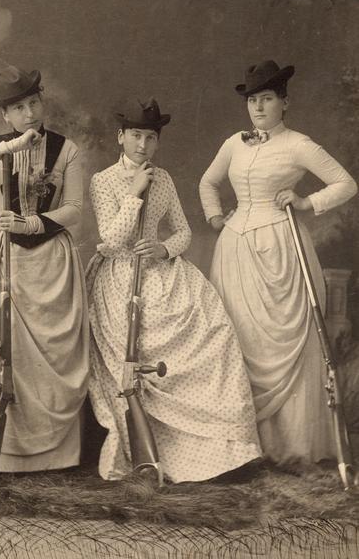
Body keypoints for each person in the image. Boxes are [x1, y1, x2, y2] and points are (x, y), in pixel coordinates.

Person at [86, 98, 261, 483]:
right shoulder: (103, 181)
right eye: (135, 135)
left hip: (160, 271)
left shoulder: (164, 179)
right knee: (139, 352)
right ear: (120, 137)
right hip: (119, 278)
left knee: (214, 331)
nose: (143, 145)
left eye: (150, 137)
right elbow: (111, 240)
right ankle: (146, 455)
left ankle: (217, 452)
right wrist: (134, 192)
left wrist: (164, 248)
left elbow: (182, 230)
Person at [199, 60, 358, 465]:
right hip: (235, 252)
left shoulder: (299, 144)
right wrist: (216, 217)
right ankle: (243, 448)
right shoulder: (235, 142)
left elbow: (346, 183)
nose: (258, 108)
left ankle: (291, 446)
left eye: (266, 99)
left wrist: (306, 202)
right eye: (252, 100)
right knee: (241, 336)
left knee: (283, 338)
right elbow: (208, 182)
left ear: (284, 103)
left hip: (282, 249)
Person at [0, 65, 89, 472]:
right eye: (18, 108)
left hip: (52, 262)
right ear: (4, 116)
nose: (29, 113)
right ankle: (1, 452)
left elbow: (76, 210)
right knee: (2, 348)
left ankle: (53, 456)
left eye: (33, 102)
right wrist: (7, 149)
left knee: (49, 356)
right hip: (6, 259)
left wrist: (32, 223)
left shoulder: (67, 149)